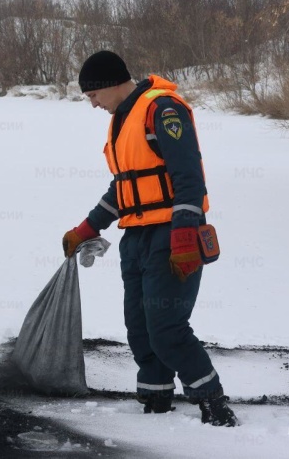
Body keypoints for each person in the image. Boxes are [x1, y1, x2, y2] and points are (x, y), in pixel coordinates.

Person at [62, 50, 238, 427]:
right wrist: (86, 229)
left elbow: (188, 175)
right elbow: (125, 188)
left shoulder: (162, 109)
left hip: (171, 235)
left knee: (166, 328)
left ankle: (213, 402)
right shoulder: (123, 120)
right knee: (140, 328)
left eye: (92, 96)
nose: (92, 105)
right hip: (136, 239)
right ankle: (156, 401)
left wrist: (184, 236)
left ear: (107, 84)